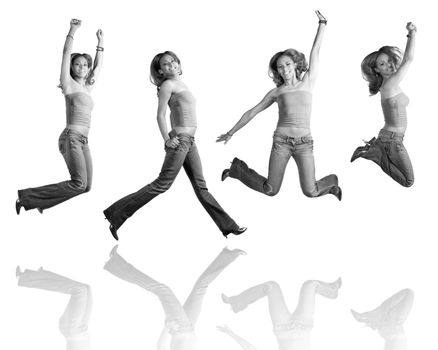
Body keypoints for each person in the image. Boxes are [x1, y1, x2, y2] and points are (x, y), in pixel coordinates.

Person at [103, 51, 246, 240]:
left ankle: (228, 226)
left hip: (189, 141)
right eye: (165, 64)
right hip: (181, 141)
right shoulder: (168, 85)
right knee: (162, 184)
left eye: (172, 61)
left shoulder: (181, 84)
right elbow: (160, 115)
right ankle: (116, 213)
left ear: (178, 63)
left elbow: (174, 113)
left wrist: (174, 133)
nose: (171, 65)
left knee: (201, 187)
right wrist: (167, 139)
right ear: (160, 70)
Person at [217, 10, 341, 201]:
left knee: (311, 191)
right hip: (281, 142)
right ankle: (237, 170)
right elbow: (253, 112)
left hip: (304, 144)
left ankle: (332, 182)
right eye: (280, 67)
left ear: (295, 65)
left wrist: (322, 24)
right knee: (270, 190)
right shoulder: (276, 92)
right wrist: (231, 131)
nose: (285, 70)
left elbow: (315, 51)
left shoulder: (307, 81)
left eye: (288, 65)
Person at [16, 19, 104, 214]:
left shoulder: (87, 87)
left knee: (86, 186)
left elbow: (98, 68)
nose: (81, 67)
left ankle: (40, 203)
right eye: (77, 65)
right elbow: (65, 54)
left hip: (83, 141)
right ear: (72, 68)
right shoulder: (68, 84)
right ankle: (26, 196)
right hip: (71, 137)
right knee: (78, 183)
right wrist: (72, 30)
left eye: (84, 65)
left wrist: (100, 43)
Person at [104, 246, 245, 350]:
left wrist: (166, 328)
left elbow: (160, 347)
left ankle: (115, 264)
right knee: (201, 286)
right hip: (190, 326)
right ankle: (229, 255)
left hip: (180, 327)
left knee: (163, 291)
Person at [350, 22, 417, 187]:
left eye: (388, 61)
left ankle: (375, 150)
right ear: (376, 70)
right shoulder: (389, 85)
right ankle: (374, 153)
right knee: (408, 181)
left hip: (392, 138)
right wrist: (412, 34)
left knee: (407, 180)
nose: (388, 65)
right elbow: (408, 59)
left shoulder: (391, 84)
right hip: (392, 140)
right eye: (382, 64)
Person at [221, 278, 342, 350]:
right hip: (304, 326)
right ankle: (332, 291)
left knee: (271, 286)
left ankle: (236, 302)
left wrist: (232, 335)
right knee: (310, 285)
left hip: (282, 328)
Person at [16, 267, 93, 350]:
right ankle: (38, 275)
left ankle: (24, 278)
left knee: (80, 290)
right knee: (87, 288)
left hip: (73, 330)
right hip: (82, 328)